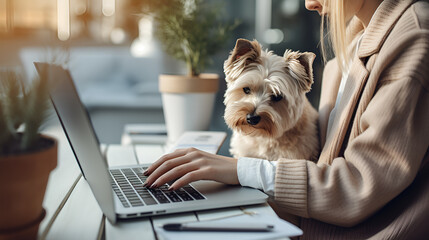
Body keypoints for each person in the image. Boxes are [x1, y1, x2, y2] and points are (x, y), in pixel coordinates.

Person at [143, 0, 429, 238]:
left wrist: (242, 170)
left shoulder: (412, 40)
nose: (308, 4)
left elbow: (357, 186)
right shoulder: (356, 42)